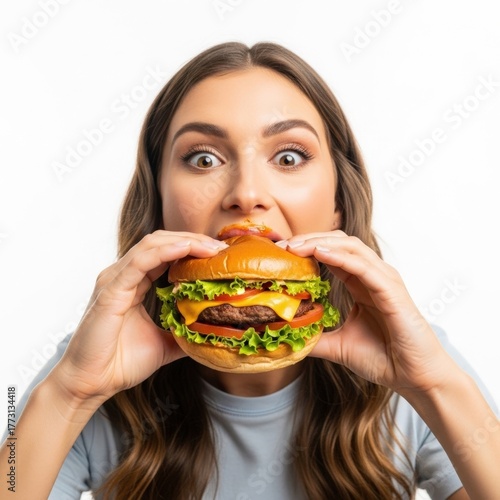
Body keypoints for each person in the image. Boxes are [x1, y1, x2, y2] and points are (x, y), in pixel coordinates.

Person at [1, 41, 499, 500]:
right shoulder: (95, 364)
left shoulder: (410, 362)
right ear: (158, 208)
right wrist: (67, 395)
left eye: (288, 156)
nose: (247, 193)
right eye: (202, 158)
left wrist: (432, 388)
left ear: (337, 207)